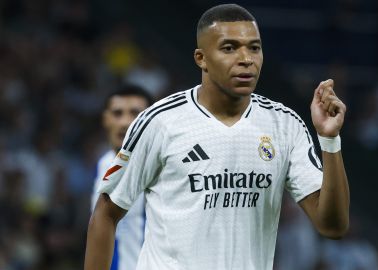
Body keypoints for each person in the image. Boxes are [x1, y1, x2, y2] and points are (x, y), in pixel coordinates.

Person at [85, 4, 350, 270]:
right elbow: (106, 213)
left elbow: (333, 226)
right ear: (201, 58)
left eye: (254, 48)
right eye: (229, 48)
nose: (246, 58)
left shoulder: (284, 125)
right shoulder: (160, 122)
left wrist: (330, 140)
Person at [90, 85, 153, 270]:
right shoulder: (101, 165)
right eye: (117, 113)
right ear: (105, 119)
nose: (125, 122)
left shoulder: (165, 170)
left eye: (135, 113)